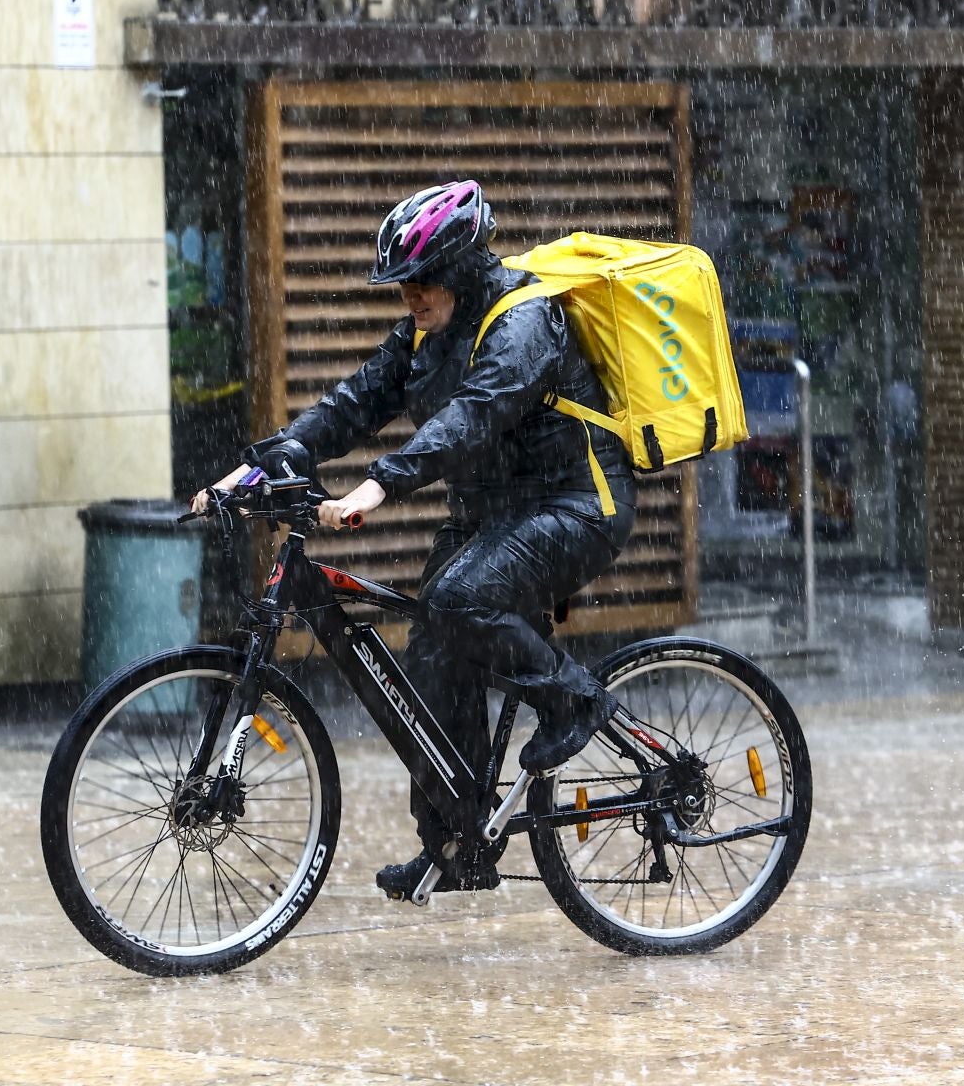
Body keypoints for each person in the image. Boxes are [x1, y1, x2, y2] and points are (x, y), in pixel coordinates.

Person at [195, 179, 636, 898]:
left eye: (420, 282)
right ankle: (459, 841)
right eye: (401, 285)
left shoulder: (524, 319)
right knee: (433, 647)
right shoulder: (428, 333)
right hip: (494, 515)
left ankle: (577, 700)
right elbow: (352, 403)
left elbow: (472, 417)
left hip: (578, 503)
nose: (409, 297)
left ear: (461, 269)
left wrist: (377, 486)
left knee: (460, 598)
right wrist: (253, 469)